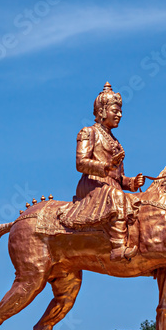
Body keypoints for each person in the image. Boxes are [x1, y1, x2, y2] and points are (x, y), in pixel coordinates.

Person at [58, 82, 145, 261]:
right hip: (92, 184)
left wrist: (132, 182)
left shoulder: (116, 142)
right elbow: (80, 163)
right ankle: (118, 247)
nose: (119, 115)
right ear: (102, 111)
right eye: (115, 111)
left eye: (120, 111)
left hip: (111, 187)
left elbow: (118, 178)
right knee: (117, 197)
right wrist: (104, 167)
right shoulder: (88, 132)